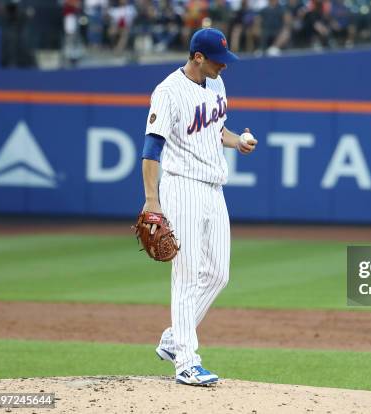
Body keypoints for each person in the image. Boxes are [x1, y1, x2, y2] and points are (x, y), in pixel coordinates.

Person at [141, 28, 258, 385]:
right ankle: (186, 362)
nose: (225, 65)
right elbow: (151, 149)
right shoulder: (168, 92)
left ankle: (173, 338)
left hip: (214, 188)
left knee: (218, 274)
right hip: (182, 186)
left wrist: (238, 141)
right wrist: (151, 200)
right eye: (218, 59)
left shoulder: (217, 84)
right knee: (188, 275)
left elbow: (216, 130)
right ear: (197, 57)